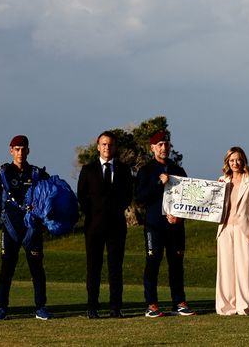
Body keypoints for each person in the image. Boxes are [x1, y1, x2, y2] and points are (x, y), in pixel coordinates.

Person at [0, 135, 52, 321]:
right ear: (11, 150)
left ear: (28, 150)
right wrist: (4, 214)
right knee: (6, 269)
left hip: (33, 230)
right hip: (10, 230)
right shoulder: (2, 175)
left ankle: (40, 307)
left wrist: (42, 216)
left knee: (37, 269)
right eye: (17, 149)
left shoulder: (38, 174)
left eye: (23, 149)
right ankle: (1, 308)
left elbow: (51, 197)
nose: (20, 152)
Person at [134, 130, 196, 318]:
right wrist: (158, 184)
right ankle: (151, 304)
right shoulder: (146, 171)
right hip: (154, 226)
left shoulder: (178, 170)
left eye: (166, 144)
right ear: (152, 148)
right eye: (159, 144)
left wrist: (180, 217)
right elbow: (140, 198)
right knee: (153, 262)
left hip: (175, 226)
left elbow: (189, 199)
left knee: (176, 264)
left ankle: (179, 302)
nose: (164, 148)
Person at [77, 131, 134, 319]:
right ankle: (92, 306)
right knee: (93, 267)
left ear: (115, 147)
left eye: (110, 144)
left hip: (116, 226)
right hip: (93, 226)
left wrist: (114, 211)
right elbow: (82, 196)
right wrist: (94, 215)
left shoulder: (124, 170)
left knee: (115, 268)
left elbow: (127, 195)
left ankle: (115, 307)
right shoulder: (88, 169)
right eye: (103, 144)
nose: (107, 147)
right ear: (98, 147)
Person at [215, 146, 249, 315]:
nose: (235, 163)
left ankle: (246, 306)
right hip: (225, 228)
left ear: (243, 161)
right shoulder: (222, 180)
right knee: (226, 269)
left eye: (238, 159)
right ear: (228, 162)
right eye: (232, 160)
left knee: (246, 268)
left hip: (245, 228)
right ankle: (227, 306)